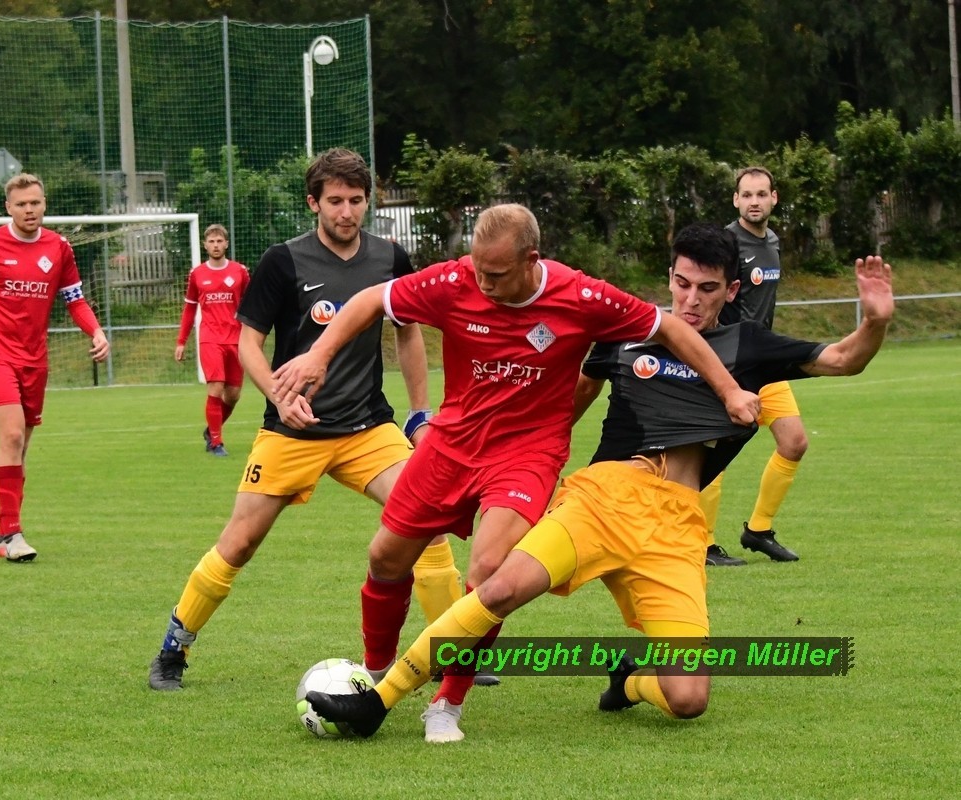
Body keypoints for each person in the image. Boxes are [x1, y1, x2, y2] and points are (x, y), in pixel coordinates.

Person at [302, 222, 893, 739]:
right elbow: (568, 401)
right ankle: (383, 699)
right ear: (670, 278)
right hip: (604, 495)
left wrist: (876, 321)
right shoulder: (623, 332)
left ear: (732, 291)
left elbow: (843, 359)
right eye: (682, 283)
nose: (691, 299)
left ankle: (629, 682)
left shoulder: (750, 346)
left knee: (688, 701)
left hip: (676, 527)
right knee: (496, 584)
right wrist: (534, 461)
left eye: (707, 289)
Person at [147, 148, 459, 692]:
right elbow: (248, 342)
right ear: (313, 202)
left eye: (356, 201)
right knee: (240, 542)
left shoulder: (389, 259)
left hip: (368, 429)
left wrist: (418, 413)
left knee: (427, 520)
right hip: (293, 431)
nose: (346, 211)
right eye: (335, 201)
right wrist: (277, 394)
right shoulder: (283, 261)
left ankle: (457, 648)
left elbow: (409, 333)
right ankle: (175, 645)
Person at [0, 173, 109, 562]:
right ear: (8, 208)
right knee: (13, 436)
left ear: (44, 203)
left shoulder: (60, 248)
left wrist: (96, 330)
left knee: (21, 447)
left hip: (35, 358)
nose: (29, 209)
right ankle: (10, 534)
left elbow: (75, 300)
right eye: (21, 204)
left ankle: (4, 535)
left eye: (35, 202)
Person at [702, 166, 808, 566]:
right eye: (747, 195)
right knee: (715, 452)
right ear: (736, 200)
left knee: (794, 442)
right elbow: (706, 297)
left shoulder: (773, 243)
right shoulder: (726, 244)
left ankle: (758, 530)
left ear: (774, 198)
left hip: (763, 361)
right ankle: (703, 545)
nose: (754, 201)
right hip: (728, 363)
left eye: (761, 194)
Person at [175, 224, 250, 457]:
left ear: (226, 244)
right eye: (211, 241)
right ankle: (216, 443)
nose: (216, 245)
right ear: (205, 245)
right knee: (216, 387)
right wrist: (181, 341)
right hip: (210, 338)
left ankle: (211, 430)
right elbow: (189, 310)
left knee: (234, 394)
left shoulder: (240, 272)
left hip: (236, 338)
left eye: (219, 241)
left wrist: (254, 335)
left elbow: (250, 305)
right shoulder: (197, 274)